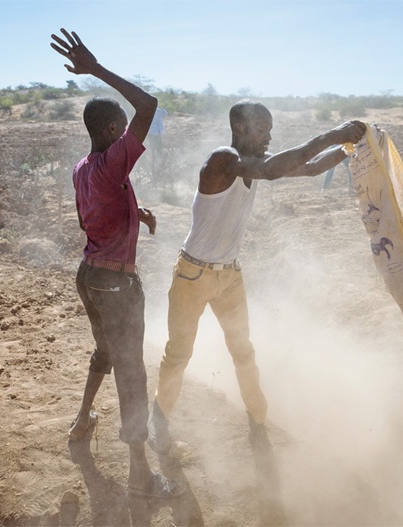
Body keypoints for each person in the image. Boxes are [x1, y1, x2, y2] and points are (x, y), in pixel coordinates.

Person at [148, 101, 365, 456]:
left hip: (229, 275)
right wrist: (333, 133)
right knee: (178, 354)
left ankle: (258, 421)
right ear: (242, 129)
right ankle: (158, 421)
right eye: (263, 129)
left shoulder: (253, 165)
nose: (270, 136)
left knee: (243, 352)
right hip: (193, 274)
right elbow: (274, 169)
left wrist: (348, 148)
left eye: (270, 129)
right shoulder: (224, 160)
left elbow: (309, 169)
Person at [51, 28, 183, 500]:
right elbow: (148, 105)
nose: (129, 134)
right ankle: (140, 476)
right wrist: (97, 69)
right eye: (122, 128)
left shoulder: (83, 169)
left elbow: (99, 208)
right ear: (111, 132)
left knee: (105, 352)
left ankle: (83, 419)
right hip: (115, 284)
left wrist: (137, 210)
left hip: (89, 277)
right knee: (132, 373)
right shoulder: (111, 163)